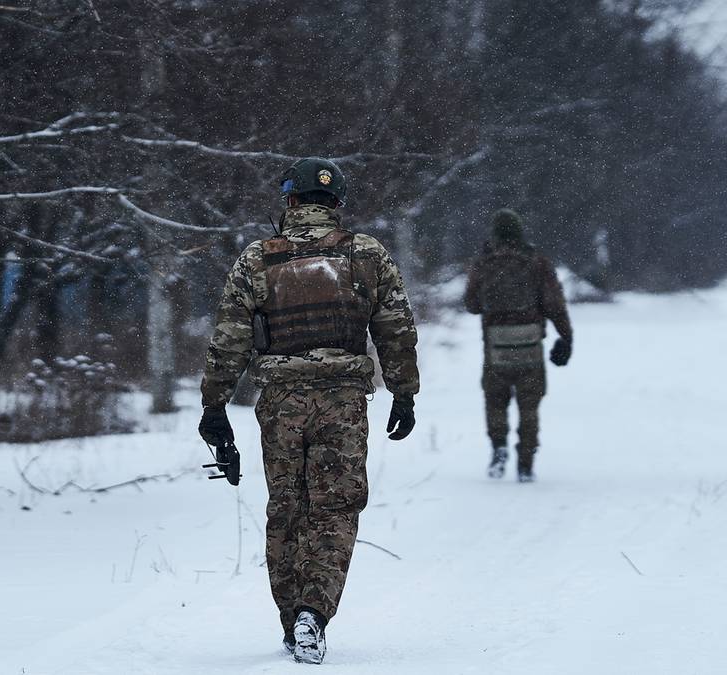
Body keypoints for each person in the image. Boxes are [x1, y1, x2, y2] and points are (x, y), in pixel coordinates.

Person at [198, 157, 420, 664]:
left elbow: (229, 337)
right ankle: (313, 615)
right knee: (336, 507)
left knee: (287, 508)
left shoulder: (259, 258)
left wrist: (215, 406)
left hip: (279, 403)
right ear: (337, 203)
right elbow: (396, 328)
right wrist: (404, 392)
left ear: (289, 201)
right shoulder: (366, 254)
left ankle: (291, 616)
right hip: (342, 400)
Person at [463, 208, 572, 482]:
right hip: (530, 345)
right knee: (530, 405)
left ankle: (498, 448)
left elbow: (472, 304)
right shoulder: (536, 262)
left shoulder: (484, 263)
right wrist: (566, 337)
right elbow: (554, 304)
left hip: (496, 346)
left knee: (496, 401)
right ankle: (526, 462)